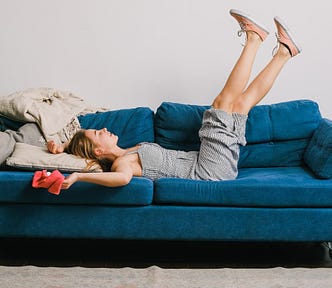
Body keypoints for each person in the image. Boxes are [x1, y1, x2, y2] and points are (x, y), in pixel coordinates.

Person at [47, 9, 301, 189]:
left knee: (241, 105)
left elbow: (77, 149)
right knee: (222, 104)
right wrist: (79, 178)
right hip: (208, 170)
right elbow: (121, 181)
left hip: (213, 166)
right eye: (97, 133)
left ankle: (284, 52)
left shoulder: (129, 151)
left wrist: (62, 148)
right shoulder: (121, 165)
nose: (103, 128)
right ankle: (254, 39)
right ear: (99, 150)